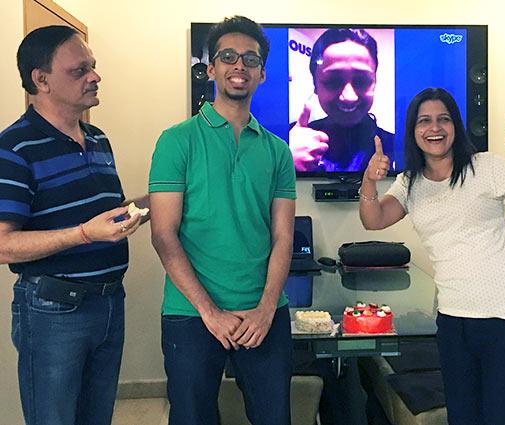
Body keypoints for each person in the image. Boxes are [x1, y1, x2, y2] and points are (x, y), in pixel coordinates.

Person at [359, 88, 505, 425]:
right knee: (464, 417)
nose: (434, 128)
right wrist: (369, 181)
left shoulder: (486, 167)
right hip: (455, 322)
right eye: (424, 121)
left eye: (443, 119)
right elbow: (374, 219)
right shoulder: (409, 183)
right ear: (413, 130)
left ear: (456, 126)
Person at [149, 16, 297, 425]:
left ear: (263, 73)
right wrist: (210, 312)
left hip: (262, 313)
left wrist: (267, 309)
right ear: (210, 68)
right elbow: (163, 235)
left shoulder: (279, 151)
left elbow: (283, 236)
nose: (239, 66)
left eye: (250, 59)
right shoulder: (176, 140)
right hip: (191, 312)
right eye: (228, 56)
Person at [1, 25, 147, 425]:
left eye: (94, 67)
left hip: (109, 302)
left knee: (96, 417)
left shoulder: (98, 139)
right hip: (52, 312)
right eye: (79, 70)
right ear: (41, 79)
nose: (95, 76)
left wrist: (156, 202)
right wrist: (83, 234)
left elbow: (106, 213)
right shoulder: (14, 148)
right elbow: (3, 245)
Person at [289, 28, 394, 172]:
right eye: (333, 81)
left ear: (375, 82)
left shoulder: (398, 146)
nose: (349, 97)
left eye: (361, 81)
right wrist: (284, 161)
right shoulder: (285, 142)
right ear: (315, 85)